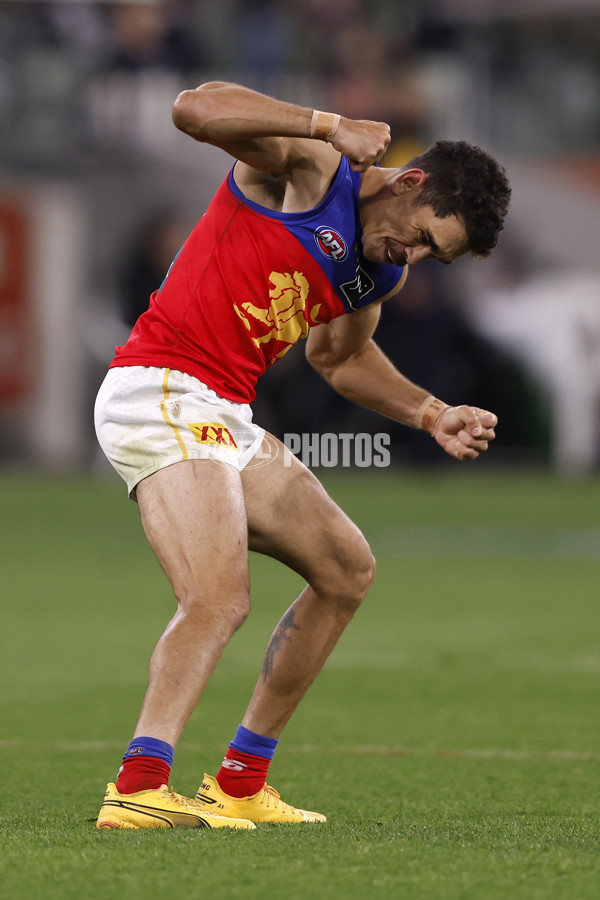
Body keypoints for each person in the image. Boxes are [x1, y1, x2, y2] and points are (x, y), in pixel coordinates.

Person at [94, 80, 511, 830]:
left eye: (433, 257)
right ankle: (139, 785)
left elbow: (339, 360)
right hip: (159, 386)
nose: (414, 256)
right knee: (218, 597)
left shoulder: (376, 272)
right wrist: (326, 122)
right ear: (412, 183)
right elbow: (193, 107)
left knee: (347, 569)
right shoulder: (313, 170)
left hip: (221, 412)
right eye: (422, 236)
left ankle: (241, 782)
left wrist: (431, 412)